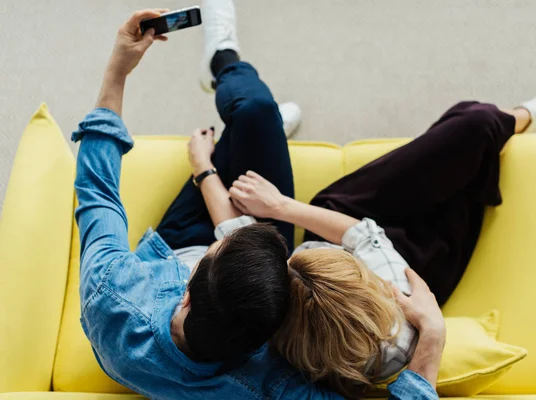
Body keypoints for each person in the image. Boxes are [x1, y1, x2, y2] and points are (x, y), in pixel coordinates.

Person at [73, 1, 446, 399]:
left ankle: (236, 98)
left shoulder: (111, 291)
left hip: (175, 244)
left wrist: (118, 68)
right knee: (257, 117)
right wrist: (432, 341)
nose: (227, 233)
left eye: (221, 246)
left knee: (251, 123)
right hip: (233, 284)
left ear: (186, 290)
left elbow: (97, 188)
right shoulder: (276, 385)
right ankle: (240, 94)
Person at [228, 90, 536, 396]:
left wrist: (274, 206)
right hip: (417, 262)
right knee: (474, 127)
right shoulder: (398, 310)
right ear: (369, 286)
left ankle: (263, 137)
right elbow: (364, 237)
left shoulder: (274, 337)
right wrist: (282, 207)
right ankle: (513, 119)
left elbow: (360, 238)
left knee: (465, 142)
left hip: (351, 227)